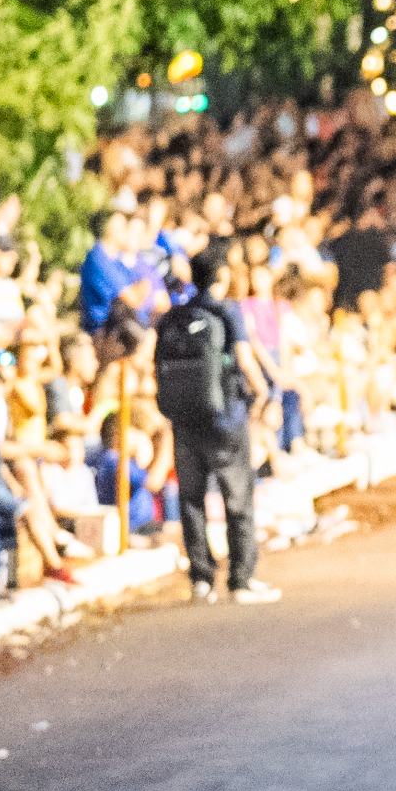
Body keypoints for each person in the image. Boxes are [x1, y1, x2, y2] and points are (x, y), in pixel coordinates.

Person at [154, 238, 280, 604]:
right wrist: (264, 395)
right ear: (222, 274)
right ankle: (241, 579)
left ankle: (201, 578)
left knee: (191, 499)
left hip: (184, 418)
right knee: (237, 497)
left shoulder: (177, 315)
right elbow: (244, 358)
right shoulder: (228, 312)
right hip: (225, 416)